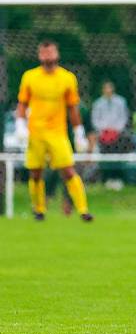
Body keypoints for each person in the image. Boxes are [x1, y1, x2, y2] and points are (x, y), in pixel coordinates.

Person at [14, 40, 93, 222]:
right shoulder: (30, 77)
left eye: (50, 53)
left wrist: (79, 131)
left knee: (68, 171)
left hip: (58, 132)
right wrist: (20, 124)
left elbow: (73, 108)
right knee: (35, 172)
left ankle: (83, 210)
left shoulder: (67, 78)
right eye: (44, 53)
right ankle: (39, 210)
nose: (47, 56)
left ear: (57, 54)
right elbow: (22, 103)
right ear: (39, 55)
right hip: (36, 133)